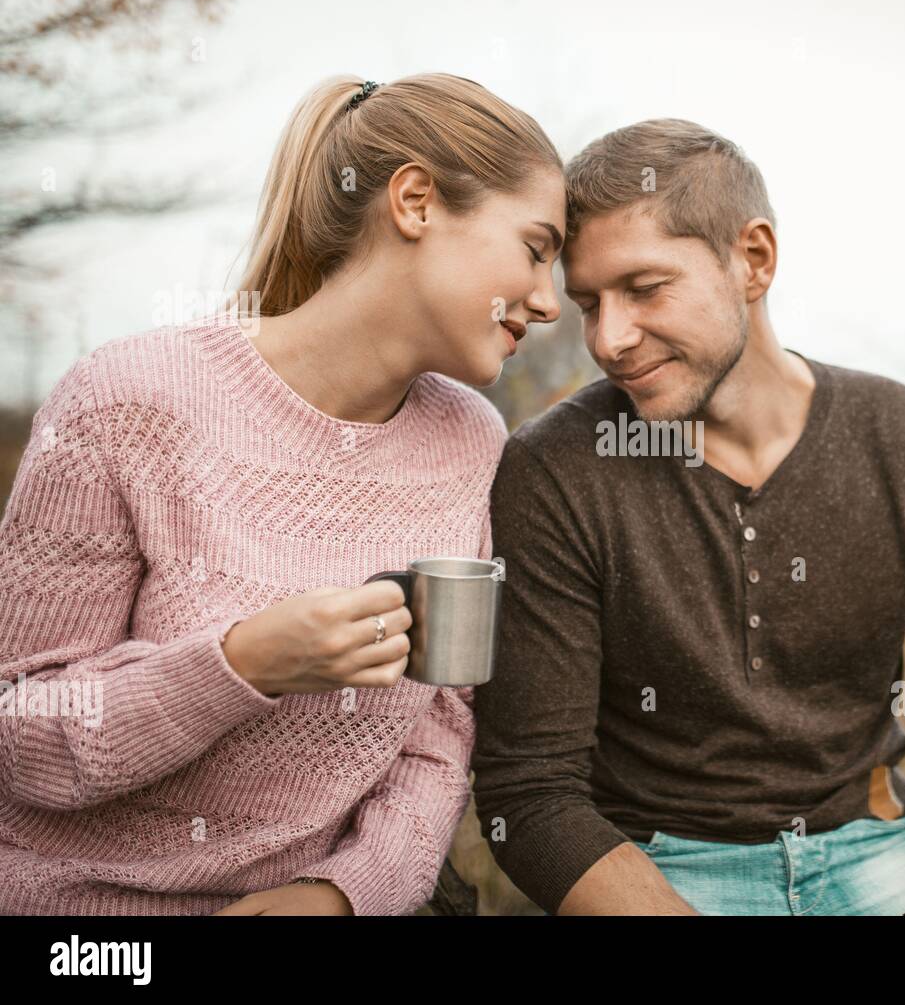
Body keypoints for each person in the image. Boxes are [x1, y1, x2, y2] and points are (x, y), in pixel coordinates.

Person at [0, 73, 563, 915]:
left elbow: (437, 734)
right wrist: (242, 662)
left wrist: (343, 893)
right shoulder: (126, 399)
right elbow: (20, 732)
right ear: (415, 201)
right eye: (535, 248)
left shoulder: (471, 441)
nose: (551, 301)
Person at [471, 118, 905, 916]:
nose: (609, 339)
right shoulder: (554, 471)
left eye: (645, 289)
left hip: (877, 849)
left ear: (754, 259)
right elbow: (532, 795)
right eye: (588, 303)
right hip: (654, 872)